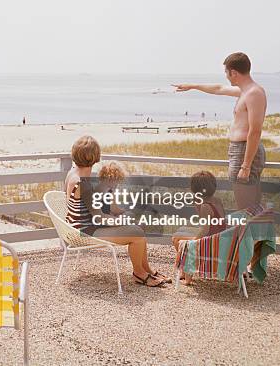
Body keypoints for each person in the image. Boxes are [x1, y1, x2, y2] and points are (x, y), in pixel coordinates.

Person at [64, 136, 166, 287]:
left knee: (137, 228)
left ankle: (146, 270)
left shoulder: (73, 173)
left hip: (77, 227)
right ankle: (139, 273)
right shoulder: (82, 183)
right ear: (95, 157)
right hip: (84, 232)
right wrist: (122, 221)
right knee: (137, 234)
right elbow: (99, 218)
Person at [172, 52, 267, 210]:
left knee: (246, 210)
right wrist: (192, 86)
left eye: (226, 73)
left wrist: (246, 166)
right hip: (241, 150)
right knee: (251, 209)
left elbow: (255, 131)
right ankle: (253, 234)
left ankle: (250, 235)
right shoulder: (245, 91)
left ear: (233, 72)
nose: (227, 77)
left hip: (245, 151)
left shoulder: (253, 93)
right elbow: (218, 88)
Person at [172, 171, 226, 284]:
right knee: (180, 232)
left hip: (210, 240)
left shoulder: (205, 206)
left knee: (176, 239)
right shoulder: (217, 200)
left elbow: (204, 229)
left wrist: (194, 241)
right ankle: (183, 269)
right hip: (219, 236)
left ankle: (186, 273)